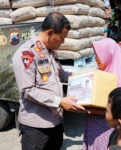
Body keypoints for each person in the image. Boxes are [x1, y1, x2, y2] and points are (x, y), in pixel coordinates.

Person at [12, 12, 85, 150]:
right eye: (62, 38)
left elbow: (62, 75)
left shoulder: (50, 52)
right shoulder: (27, 53)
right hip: (36, 127)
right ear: (50, 33)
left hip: (56, 122)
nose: (63, 42)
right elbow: (27, 90)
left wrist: (86, 77)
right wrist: (60, 102)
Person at [83, 38, 121, 150]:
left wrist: (96, 111)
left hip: (107, 130)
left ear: (108, 55)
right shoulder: (99, 73)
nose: (95, 59)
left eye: (97, 55)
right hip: (92, 125)